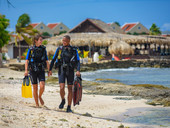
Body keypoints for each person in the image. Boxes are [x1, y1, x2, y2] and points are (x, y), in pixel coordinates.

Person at [49, 35, 80, 112]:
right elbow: (53, 59)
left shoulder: (74, 50)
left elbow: (78, 61)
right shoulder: (59, 49)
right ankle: (63, 100)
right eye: (63, 41)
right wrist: (50, 69)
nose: (63, 42)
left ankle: (69, 107)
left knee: (70, 89)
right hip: (61, 70)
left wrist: (78, 70)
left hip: (70, 71)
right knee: (62, 87)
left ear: (69, 41)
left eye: (65, 41)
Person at [24, 34, 50, 107]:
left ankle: (40, 96)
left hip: (41, 70)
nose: (41, 41)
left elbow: (47, 60)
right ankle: (37, 104)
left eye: (42, 39)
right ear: (36, 41)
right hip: (33, 70)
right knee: (35, 87)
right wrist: (26, 70)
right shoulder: (31, 49)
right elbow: (26, 60)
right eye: (40, 40)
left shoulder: (43, 49)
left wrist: (49, 70)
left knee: (42, 86)